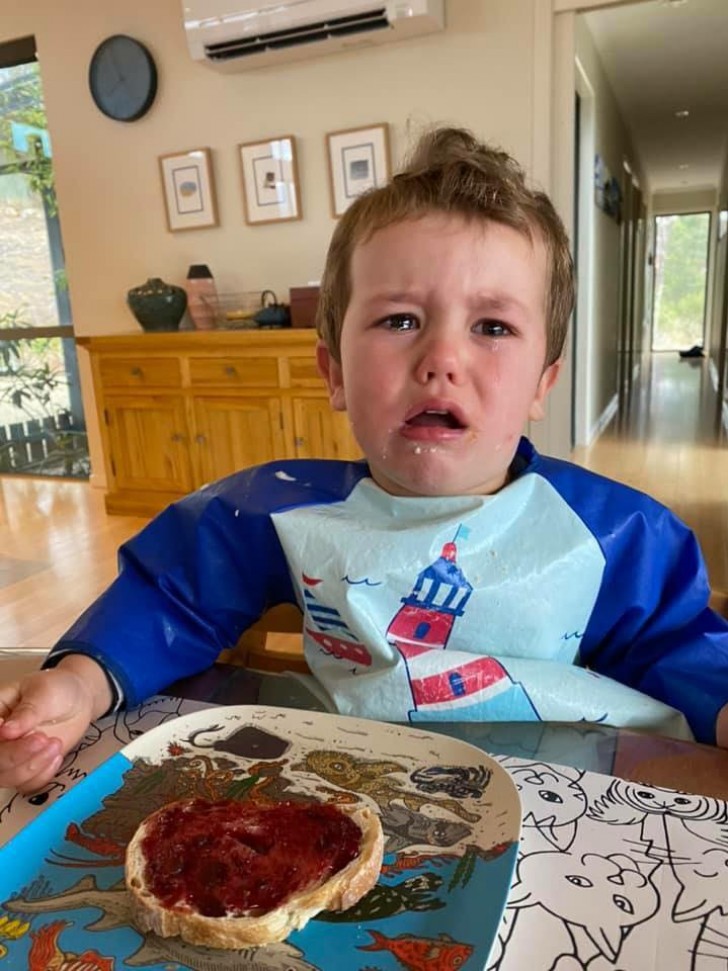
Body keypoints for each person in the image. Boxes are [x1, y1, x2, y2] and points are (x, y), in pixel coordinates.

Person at [1, 127, 727, 795]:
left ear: (543, 382)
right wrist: (79, 683)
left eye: (493, 326)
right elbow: (170, 594)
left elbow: (681, 643)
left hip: (559, 798)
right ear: (335, 372)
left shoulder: (613, 535)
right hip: (345, 788)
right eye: (399, 319)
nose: (441, 357)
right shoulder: (282, 510)